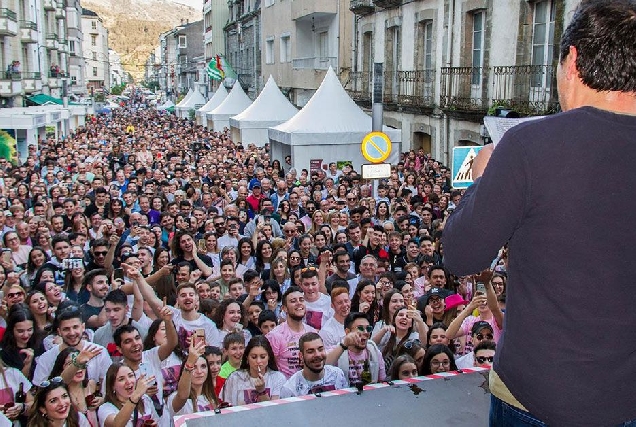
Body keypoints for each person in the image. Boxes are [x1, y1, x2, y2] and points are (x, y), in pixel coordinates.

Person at [443, 2, 636, 424]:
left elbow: (461, 254)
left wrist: (481, 178)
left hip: (539, 397)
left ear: (572, 59)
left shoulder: (530, 146)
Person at [265, 286, 315, 378]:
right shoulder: (275, 335)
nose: (299, 303)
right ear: (284, 308)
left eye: (301, 300)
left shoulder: (313, 332)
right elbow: (268, 369)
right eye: (293, 301)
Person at [220, 336, 286, 406]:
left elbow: (275, 411)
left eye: (262, 357)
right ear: (247, 358)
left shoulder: (277, 378)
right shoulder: (234, 378)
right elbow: (227, 407)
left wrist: (262, 391)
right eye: (254, 357)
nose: (258, 361)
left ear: (269, 357)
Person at [280, 333, 348, 397]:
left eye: (320, 349)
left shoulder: (337, 374)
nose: (317, 355)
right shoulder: (290, 388)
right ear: (301, 356)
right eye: (310, 351)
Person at [326, 312, 386, 385]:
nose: (366, 332)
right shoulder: (338, 350)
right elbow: (324, 366)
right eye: (360, 328)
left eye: (368, 328)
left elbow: (382, 380)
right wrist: (344, 345)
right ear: (347, 331)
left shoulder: (373, 349)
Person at [97, 362, 162, 427]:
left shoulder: (145, 399)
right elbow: (116, 425)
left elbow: (157, 422)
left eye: (130, 376)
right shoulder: (105, 408)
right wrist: (135, 395)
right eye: (121, 379)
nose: (128, 382)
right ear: (113, 386)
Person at [167, 339, 217, 416]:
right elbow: (182, 396)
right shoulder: (175, 397)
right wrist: (190, 362)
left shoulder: (210, 397)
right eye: (194, 367)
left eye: (203, 366)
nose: (199, 371)